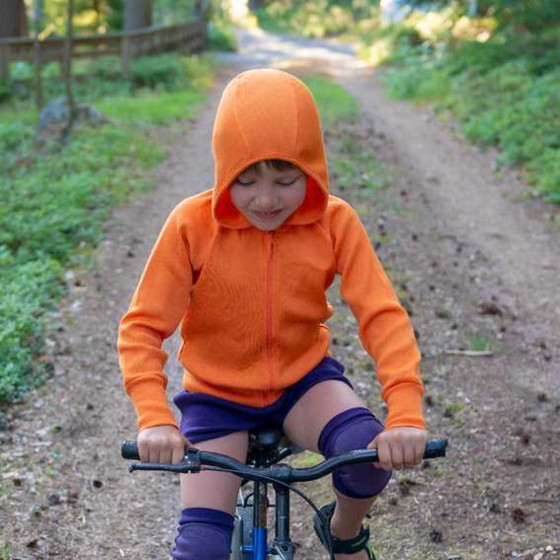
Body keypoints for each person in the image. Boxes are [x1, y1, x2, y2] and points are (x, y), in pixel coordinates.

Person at [118, 68, 427, 560]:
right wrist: (154, 418)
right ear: (223, 172)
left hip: (304, 384)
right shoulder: (191, 225)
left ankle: (344, 532)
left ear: (313, 169)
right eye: (246, 181)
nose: (266, 199)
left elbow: (381, 314)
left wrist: (405, 412)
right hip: (217, 398)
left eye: (286, 180)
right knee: (199, 548)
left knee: (366, 452)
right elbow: (142, 328)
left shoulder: (335, 221)